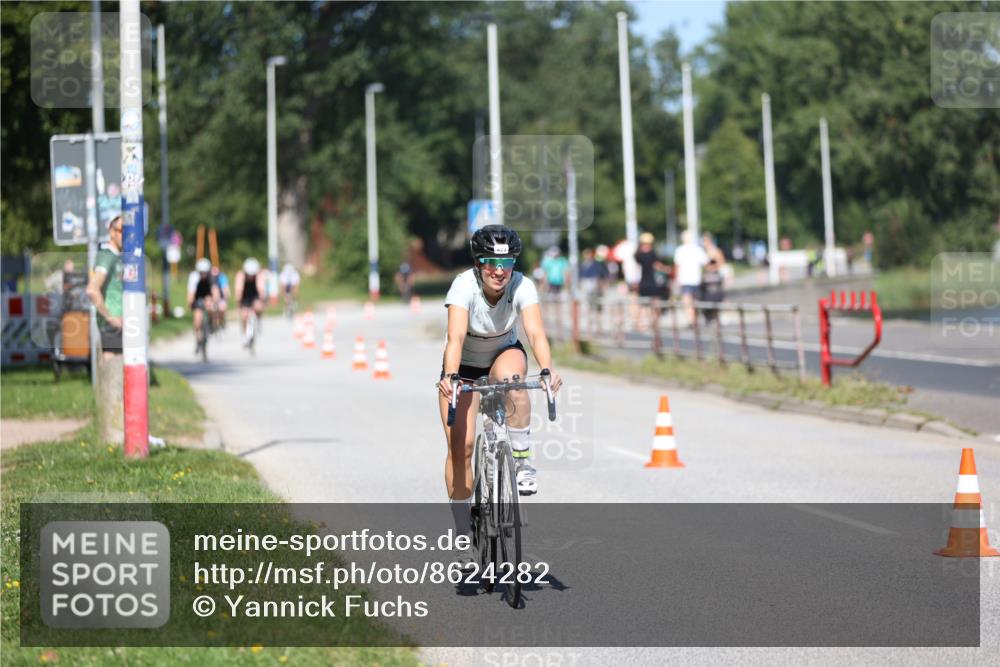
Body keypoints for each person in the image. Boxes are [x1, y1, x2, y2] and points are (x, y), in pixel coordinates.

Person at [437, 225, 562, 567]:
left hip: (502, 355)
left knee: (514, 381)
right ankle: (463, 535)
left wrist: (548, 369)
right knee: (460, 448)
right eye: (490, 261)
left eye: (506, 261)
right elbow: (455, 338)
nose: (498, 269)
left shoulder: (523, 285)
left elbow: (535, 332)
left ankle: (521, 460)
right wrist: (450, 378)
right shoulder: (463, 286)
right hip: (463, 366)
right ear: (478, 263)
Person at [85, 215, 124, 358]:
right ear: (111, 232)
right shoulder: (106, 256)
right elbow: (92, 290)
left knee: (122, 371)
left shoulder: (118, 256)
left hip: (123, 321)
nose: (124, 235)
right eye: (121, 230)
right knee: (112, 370)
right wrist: (110, 318)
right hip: (113, 324)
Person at [634, 233, 672, 330]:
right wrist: (666, 269)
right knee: (655, 303)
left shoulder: (638, 254)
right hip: (652, 282)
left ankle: (639, 323)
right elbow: (657, 265)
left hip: (643, 282)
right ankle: (655, 323)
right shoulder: (652, 253)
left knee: (643, 304)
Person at [673, 230, 709, 326]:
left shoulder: (680, 250)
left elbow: (677, 266)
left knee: (687, 300)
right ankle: (694, 318)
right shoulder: (697, 249)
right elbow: (705, 263)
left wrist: (676, 278)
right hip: (696, 278)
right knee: (695, 300)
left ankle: (691, 319)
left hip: (684, 279)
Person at [187, 258, 221, 353]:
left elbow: (215, 291)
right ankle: (198, 339)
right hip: (198, 297)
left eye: (205, 272)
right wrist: (190, 303)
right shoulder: (194, 277)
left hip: (208, 296)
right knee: (197, 319)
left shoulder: (212, 277)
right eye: (201, 272)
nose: (203, 274)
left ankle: (211, 325)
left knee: (212, 309)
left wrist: (214, 301)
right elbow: (191, 293)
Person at [235, 257, 266, 346]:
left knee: (258, 307)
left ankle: (259, 319)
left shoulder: (259, 276)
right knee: (244, 316)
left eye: (253, 274)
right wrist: (239, 303)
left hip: (254, 295)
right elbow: (239, 290)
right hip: (245, 296)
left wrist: (262, 300)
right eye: (249, 274)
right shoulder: (240, 276)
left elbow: (261, 289)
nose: (251, 276)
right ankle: (245, 335)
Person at [701, 233, 727, 323]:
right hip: (707, 279)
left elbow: (722, 262)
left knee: (716, 297)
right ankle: (709, 316)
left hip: (715, 278)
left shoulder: (716, 251)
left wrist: (713, 267)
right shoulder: (703, 251)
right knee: (707, 297)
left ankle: (717, 315)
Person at [211, 265, 230, 330]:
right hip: (211, 298)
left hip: (221, 297)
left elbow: (225, 289)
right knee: (211, 309)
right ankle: (212, 324)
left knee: (222, 309)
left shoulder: (222, 278)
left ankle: (222, 321)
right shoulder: (209, 279)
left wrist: (226, 298)